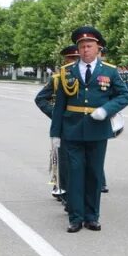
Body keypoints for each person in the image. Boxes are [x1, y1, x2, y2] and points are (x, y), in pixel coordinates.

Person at [49, 27, 128, 232]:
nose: (85, 50)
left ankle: (92, 216)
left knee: (94, 175)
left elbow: (124, 96)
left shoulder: (110, 71)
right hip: (72, 131)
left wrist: (106, 109)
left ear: (98, 48)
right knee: (75, 175)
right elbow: (60, 105)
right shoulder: (67, 72)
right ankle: (75, 218)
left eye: (89, 46)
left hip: (97, 130)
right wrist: (55, 134)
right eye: (82, 46)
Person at [35, 45, 80, 206]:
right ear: (66, 60)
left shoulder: (85, 77)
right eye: (72, 59)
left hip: (81, 125)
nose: (75, 61)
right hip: (62, 126)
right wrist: (56, 115)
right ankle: (63, 190)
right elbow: (40, 99)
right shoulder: (57, 78)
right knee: (63, 160)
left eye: (77, 58)